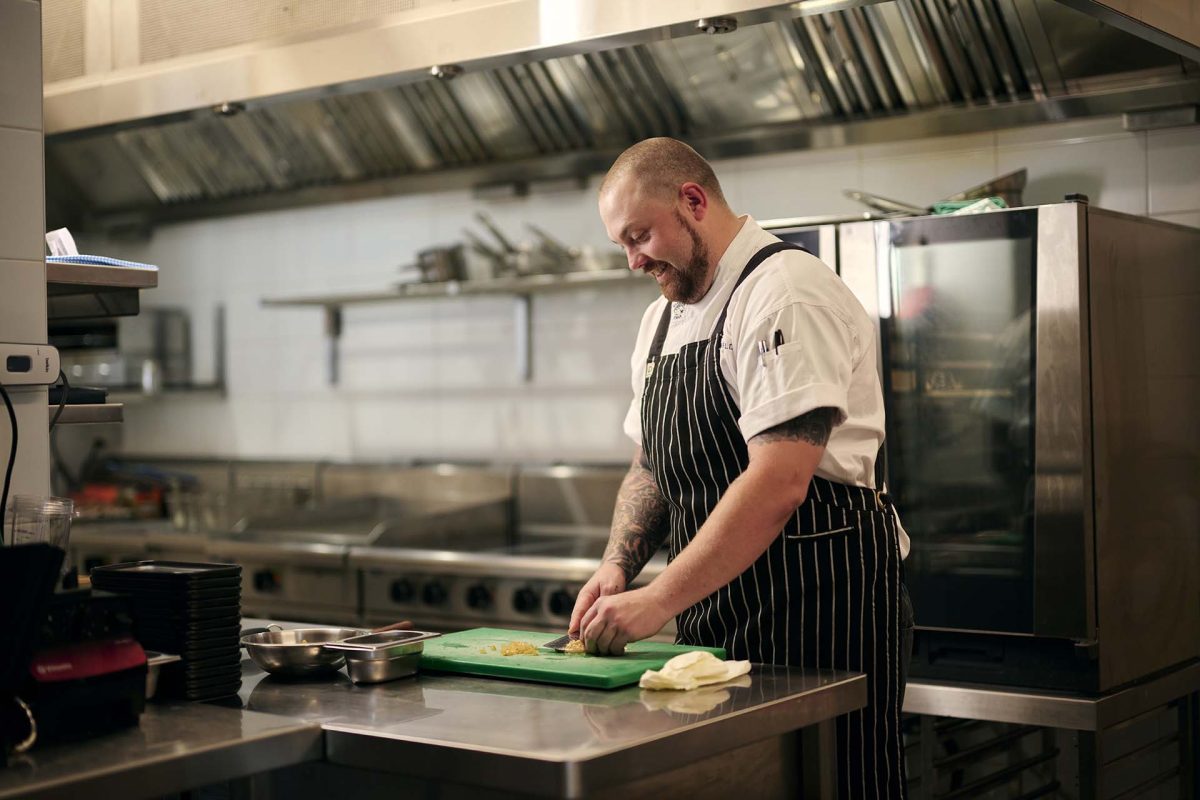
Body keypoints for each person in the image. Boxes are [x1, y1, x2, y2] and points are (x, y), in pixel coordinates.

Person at [568, 137, 913, 798]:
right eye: (622, 246)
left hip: (821, 610)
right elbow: (651, 466)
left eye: (640, 236)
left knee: (835, 783)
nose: (635, 259)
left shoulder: (785, 293)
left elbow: (781, 481)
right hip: (716, 616)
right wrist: (618, 568)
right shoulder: (661, 322)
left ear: (693, 202)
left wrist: (660, 600)